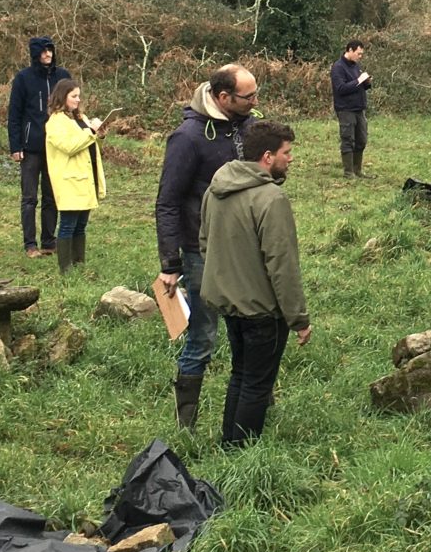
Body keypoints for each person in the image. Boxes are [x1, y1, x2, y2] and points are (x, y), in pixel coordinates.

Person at [155, 64, 259, 429]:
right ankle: (187, 425)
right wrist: (170, 262)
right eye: (249, 97)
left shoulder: (248, 126)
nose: (255, 102)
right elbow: (167, 201)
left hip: (244, 248)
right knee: (202, 336)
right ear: (223, 97)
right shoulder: (187, 138)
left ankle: (252, 410)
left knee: (250, 329)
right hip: (202, 252)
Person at [198, 120, 311, 446]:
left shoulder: (215, 188)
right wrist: (298, 319)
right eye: (286, 153)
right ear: (266, 157)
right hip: (262, 310)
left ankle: (228, 444)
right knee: (257, 383)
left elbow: (205, 243)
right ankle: (242, 454)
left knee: (240, 374)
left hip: (229, 304)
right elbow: (283, 265)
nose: (291, 159)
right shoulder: (271, 198)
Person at [8, 36, 70, 258]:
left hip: (56, 146)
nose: (48, 54)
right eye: (43, 51)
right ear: (35, 54)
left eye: (50, 50)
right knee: (29, 198)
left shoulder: (62, 76)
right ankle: (30, 244)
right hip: (30, 146)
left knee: (52, 197)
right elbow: (14, 114)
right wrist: (16, 145)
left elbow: (72, 107)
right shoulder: (23, 78)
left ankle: (49, 241)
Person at [44, 78, 105, 276]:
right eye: (74, 96)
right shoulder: (55, 122)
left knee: (81, 225)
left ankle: (79, 263)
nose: (78, 100)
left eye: (79, 95)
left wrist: (99, 134)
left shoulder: (80, 118)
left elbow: (90, 145)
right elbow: (69, 147)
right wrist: (91, 132)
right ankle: (66, 269)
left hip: (86, 178)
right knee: (68, 225)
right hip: (69, 180)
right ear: (62, 97)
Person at [331, 38, 372, 177]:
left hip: (359, 108)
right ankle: (348, 172)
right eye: (358, 54)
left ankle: (358, 170)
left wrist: (366, 82)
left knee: (362, 139)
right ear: (350, 50)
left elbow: (359, 85)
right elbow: (341, 88)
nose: (360, 57)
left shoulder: (355, 66)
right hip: (345, 109)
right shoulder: (338, 67)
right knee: (348, 139)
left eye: (361, 54)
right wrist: (358, 81)